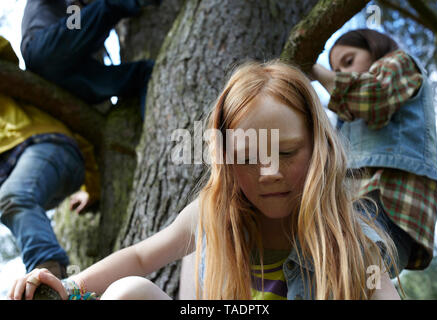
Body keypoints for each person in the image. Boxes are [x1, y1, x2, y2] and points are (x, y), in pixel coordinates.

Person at [9, 60, 400, 300]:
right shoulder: (214, 214)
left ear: (319, 147)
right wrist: (69, 287)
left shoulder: (349, 237)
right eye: (248, 157)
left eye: (286, 152)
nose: (271, 172)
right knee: (129, 292)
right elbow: (141, 257)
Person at [311, 29, 437, 273]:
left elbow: (374, 97)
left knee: (356, 266)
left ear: (374, 47)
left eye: (349, 61)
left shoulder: (399, 63)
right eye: (337, 72)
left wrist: (315, 71)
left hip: (389, 196)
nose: (343, 74)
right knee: (353, 276)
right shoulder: (346, 111)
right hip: (357, 202)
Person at [0, 36, 100, 279]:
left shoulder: (10, 96)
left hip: (47, 145)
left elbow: (4, 51)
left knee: (14, 197)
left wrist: (93, 187)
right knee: (13, 198)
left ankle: (46, 274)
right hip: (35, 177)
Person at [21, 0, 162, 118]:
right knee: (110, 5)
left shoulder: (75, 14)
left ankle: (160, 135)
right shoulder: (69, 8)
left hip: (68, 79)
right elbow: (77, 25)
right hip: (43, 53)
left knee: (143, 73)